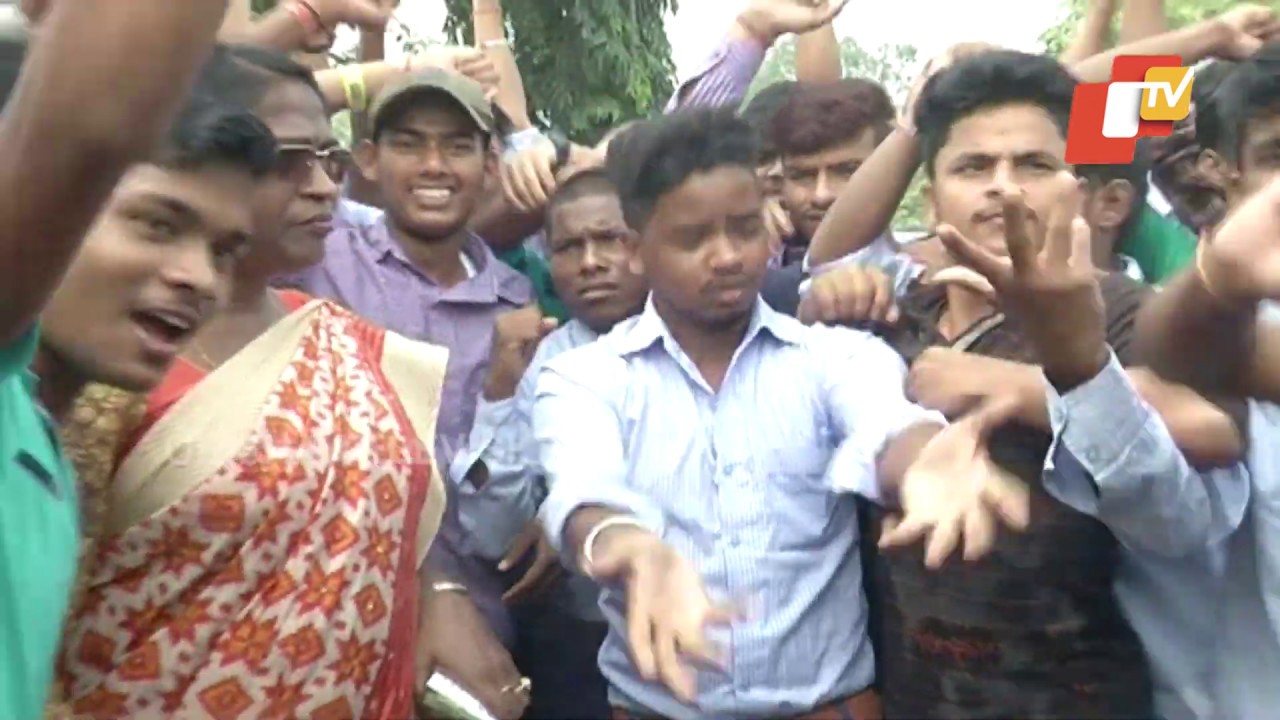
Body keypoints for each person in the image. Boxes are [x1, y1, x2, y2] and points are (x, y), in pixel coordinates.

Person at [57, 45, 525, 720]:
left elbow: (385, 519)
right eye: (286, 161)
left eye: (327, 161)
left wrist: (439, 594)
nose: (321, 186)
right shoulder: (96, 363)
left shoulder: (341, 339)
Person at [532, 108, 1029, 720]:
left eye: (744, 229)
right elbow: (583, 488)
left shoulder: (837, 355)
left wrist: (928, 461)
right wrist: (631, 549)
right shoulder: (583, 378)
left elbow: (886, 426)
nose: (727, 256)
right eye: (693, 237)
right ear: (637, 250)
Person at [861, 50, 1248, 719]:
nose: (1003, 188)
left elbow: (1188, 491)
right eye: (973, 166)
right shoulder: (888, 318)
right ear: (932, 197)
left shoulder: (1130, 313)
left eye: (1034, 165)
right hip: (914, 697)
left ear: (1078, 184)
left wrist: (1042, 381)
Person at [0, 3, 236, 718]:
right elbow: (92, 124)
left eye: (227, 252)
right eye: (157, 224)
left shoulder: (43, 448)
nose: (199, 279)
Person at [770, 78, 900, 267]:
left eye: (847, 171)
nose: (821, 195)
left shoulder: (930, 277)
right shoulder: (755, 284)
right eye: (802, 176)